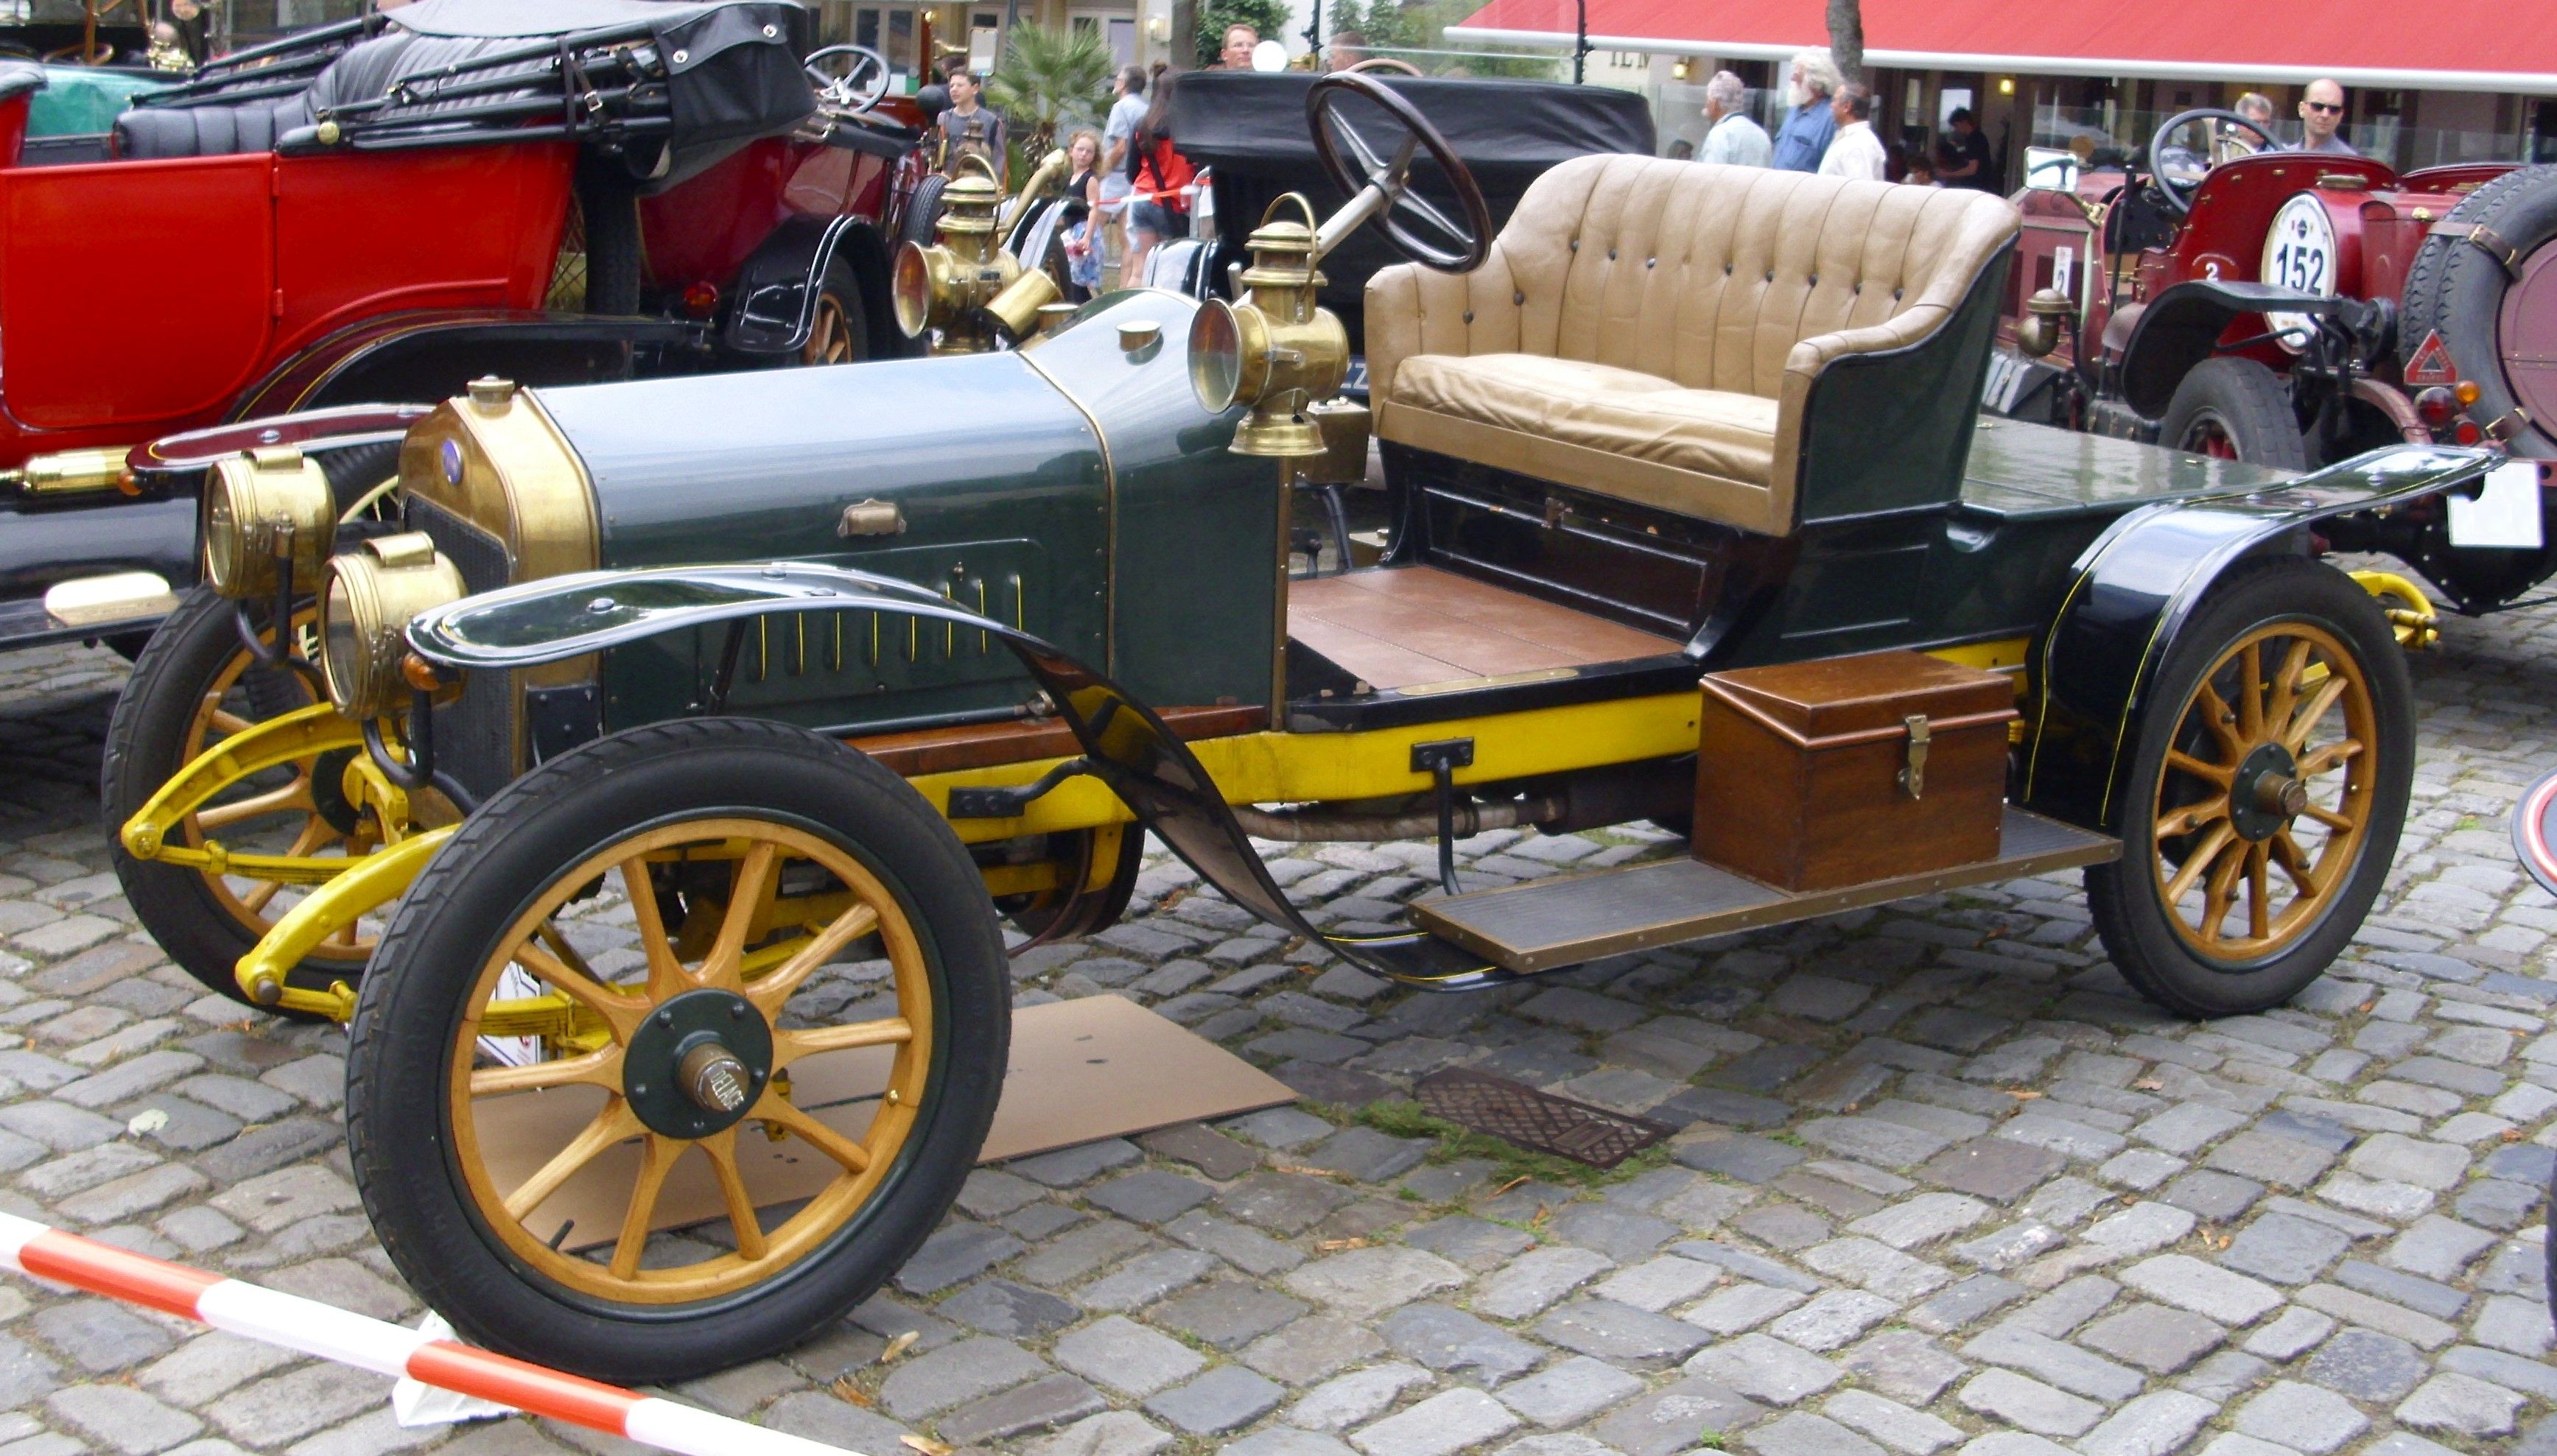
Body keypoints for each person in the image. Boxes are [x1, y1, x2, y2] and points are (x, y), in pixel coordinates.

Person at [1121, 70, 1195, 286]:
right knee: (1169, 271)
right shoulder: (1187, 127)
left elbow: (1131, 172)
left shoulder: (1142, 125)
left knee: (1141, 269)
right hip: (1172, 206)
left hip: (1142, 200)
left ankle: (1133, 313)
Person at [1098, 64, 1147, 278]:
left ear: (1123, 84)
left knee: (1087, 228)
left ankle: (1081, 283)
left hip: (1116, 177)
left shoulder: (1121, 107)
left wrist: (1100, 171)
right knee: (1128, 239)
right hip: (1135, 179)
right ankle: (1125, 285)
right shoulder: (1145, 108)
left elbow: (1120, 146)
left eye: (1118, 79)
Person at [1768, 47, 1839, 172]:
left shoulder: (1830, 117)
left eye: (1798, 77)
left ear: (1816, 82)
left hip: (1805, 189)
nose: (1792, 80)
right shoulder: (1793, 110)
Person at [934, 66, 1008, 186]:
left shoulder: (992, 121)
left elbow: (1000, 162)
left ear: (975, 89)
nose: (954, 90)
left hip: (980, 188)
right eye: (952, 86)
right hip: (948, 185)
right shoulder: (943, 119)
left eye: (960, 85)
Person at [1058, 127, 1106, 298]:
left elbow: (1094, 209)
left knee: (1080, 283)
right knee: (1070, 280)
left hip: (1083, 232)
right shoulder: (1068, 179)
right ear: (1071, 151)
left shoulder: (1090, 179)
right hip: (1070, 233)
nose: (1084, 154)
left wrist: (1087, 237)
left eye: (1089, 151)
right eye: (1080, 149)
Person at [1697, 69, 1771, 168]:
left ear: (1715, 103)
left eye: (1708, 99)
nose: (1706, 105)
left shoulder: (1720, 134)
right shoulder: (1762, 135)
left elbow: (1710, 178)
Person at [1818, 84, 1886, 181]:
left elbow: (1859, 191)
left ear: (1847, 106)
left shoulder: (1859, 144)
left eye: (1835, 100)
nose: (1831, 105)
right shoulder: (1852, 139)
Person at [1934, 108, 1996, 190]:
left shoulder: (1975, 139)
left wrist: (1947, 174)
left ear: (1965, 122)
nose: (1956, 129)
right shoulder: (1970, 139)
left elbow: (1972, 169)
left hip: (1977, 185)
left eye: (1956, 125)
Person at [2295, 78, 2356, 155]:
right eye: (2318, 106)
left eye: (2334, 109)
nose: (2325, 115)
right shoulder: (2284, 158)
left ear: (2341, 115)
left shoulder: (2349, 162)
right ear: (2302, 109)